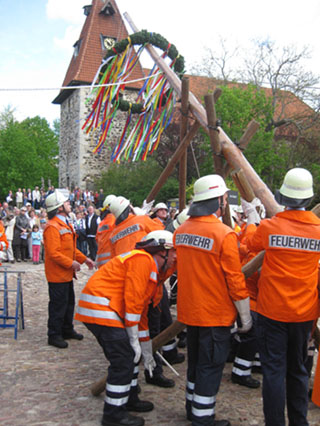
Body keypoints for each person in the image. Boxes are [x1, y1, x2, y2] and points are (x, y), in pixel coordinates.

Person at [75, 230, 176, 426]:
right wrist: (133, 338)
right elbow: (133, 301)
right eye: (173, 252)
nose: (175, 257)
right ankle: (113, 415)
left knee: (129, 356)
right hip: (102, 308)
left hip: (103, 308)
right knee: (123, 360)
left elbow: (142, 315)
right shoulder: (143, 261)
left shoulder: (147, 265)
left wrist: (144, 348)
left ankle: (129, 398)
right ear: (161, 251)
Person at [245, 168, 320, 426]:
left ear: (284, 196)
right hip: (303, 313)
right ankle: (300, 422)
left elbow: (251, 244)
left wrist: (252, 217)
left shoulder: (270, 226)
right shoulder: (318, 229)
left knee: (274, 372)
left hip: (271, 311)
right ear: (309, 198)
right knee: (298, 370)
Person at [174, 174, 251, 426]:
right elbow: (235, 280)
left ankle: (191, 408)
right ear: (219, 200)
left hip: (191, 311)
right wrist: (246, 317)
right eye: (225, 198)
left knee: (195, 363)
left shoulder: (182, 231)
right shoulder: (223, 234)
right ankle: (203, 418)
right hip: (215, 314)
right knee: (211, 365)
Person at [44, 189, 95, 349]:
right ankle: (54, 334)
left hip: (65, 274)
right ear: (59, 208)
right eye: (66, 203)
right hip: (58, 274)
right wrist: (71, 263)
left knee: (68, 304)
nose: (69, 204)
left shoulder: (64, 224)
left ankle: (67, 329)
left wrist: (84, 259)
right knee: (58, 305)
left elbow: (71, 249)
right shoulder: (53, 227)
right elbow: (53, 253)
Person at [95, 194, 116, 269]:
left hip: (101, 261)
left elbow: (97, 239)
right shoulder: (115, 220)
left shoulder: (102, 223)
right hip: (112, 261)